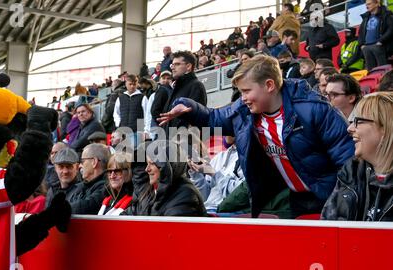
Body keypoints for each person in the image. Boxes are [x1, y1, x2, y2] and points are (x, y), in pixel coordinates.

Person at [158, 55, 354, 218]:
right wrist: (189, 107)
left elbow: (347, 161)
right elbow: (216, 117)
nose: (242, 97)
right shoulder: (246, 110)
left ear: (269, 85)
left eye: (246, 91)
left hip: (328, 196)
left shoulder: (315, 110)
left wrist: (342, 201)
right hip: (292, 198)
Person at [321, 92, 393, 221]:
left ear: (385, 127)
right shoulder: (351, 171)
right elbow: (330, 227)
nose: (349, 128)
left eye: (358, 121)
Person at [125, 140, 206, 216]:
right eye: (146, 163)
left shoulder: (185, 194)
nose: (147, 169)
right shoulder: (148, 192)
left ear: (168, 166)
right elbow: (128, 215)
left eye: (152, 164)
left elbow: (169, 229)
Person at [69, 143, 110, 215]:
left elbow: (84, 207)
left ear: (94, 162)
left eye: (82, 161)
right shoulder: (81, 186)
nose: (79, 166)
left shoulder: (106, 187)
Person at [358, 0, 393, 71]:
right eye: (366, 4)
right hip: (366, 47)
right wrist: (362, 45)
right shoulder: (366, 17)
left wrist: (381, 41)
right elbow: (360, 33)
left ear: (377, 3)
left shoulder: (385, 15)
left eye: (369, 4)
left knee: (383, 70)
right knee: (370, 70)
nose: (367, 6)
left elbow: (391, 29)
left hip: (379, 46)